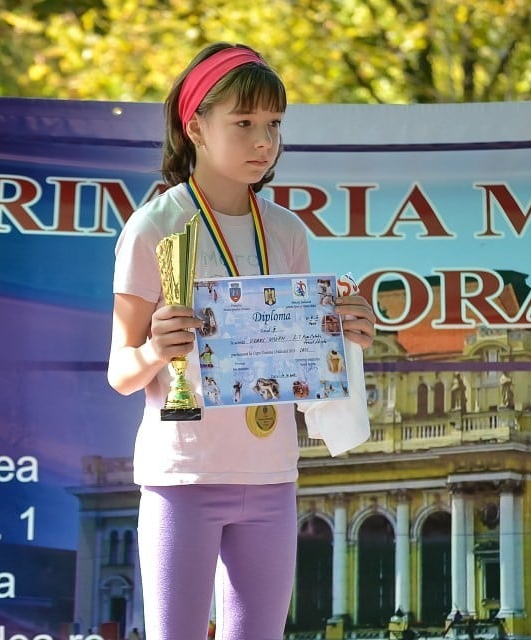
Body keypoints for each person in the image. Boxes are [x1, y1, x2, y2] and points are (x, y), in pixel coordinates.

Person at [108, 42, 376, 640]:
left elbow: (307, 357)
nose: (264, 141)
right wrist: (155, 350)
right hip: (182, 476)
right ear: (195, 125)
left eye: (274, 125)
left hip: (272, 474)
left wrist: (345, 338)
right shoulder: (154, 226)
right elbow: (120, 371)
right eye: (245, 123)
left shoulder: (285, 229)